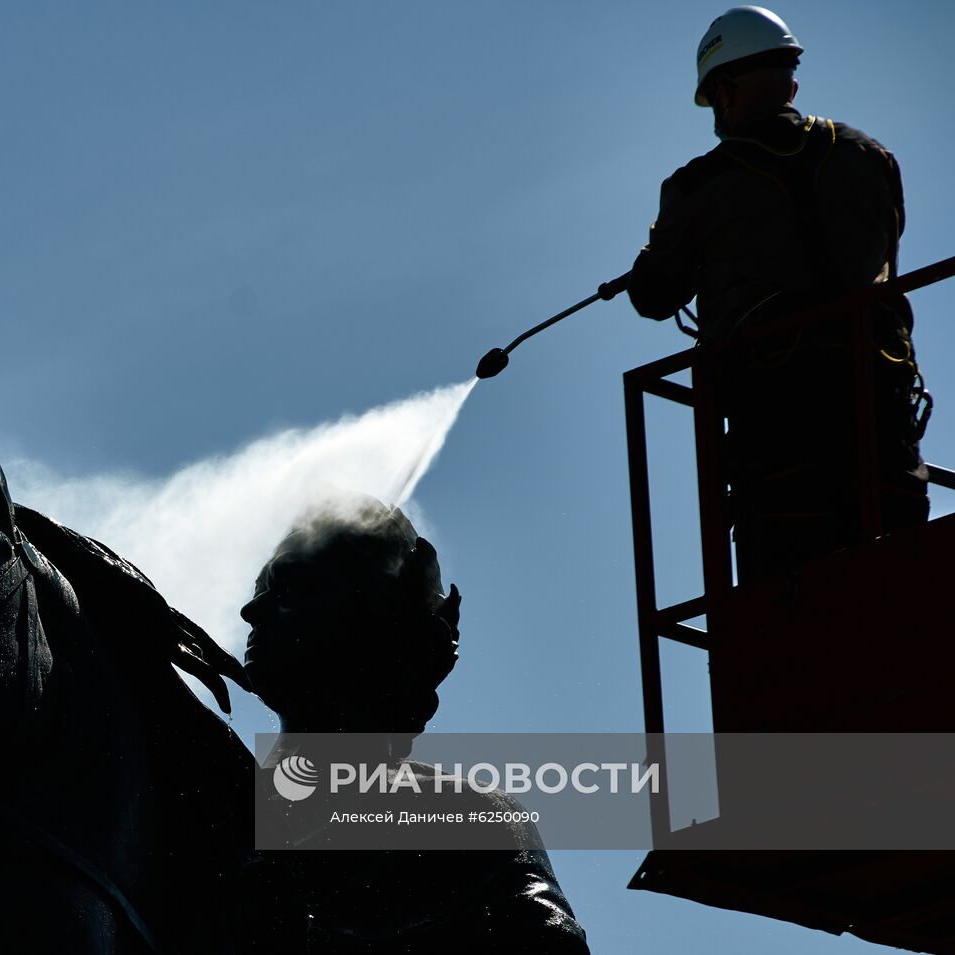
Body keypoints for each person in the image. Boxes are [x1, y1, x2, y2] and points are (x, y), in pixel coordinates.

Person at [627, 5, 930, 581]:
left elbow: (655, 295)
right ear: (790, 77)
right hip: (882, 422)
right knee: (902, 584)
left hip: (781, 438)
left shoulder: (699, 185)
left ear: (726, 88)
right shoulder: (869, 156)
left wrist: (650, 262)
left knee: (790, 607)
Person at [231, 497, 590, 953]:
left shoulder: (470, 819)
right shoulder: (211, 797)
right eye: (260, 587)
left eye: (289, 587)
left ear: (375, 621)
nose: (252, 610)